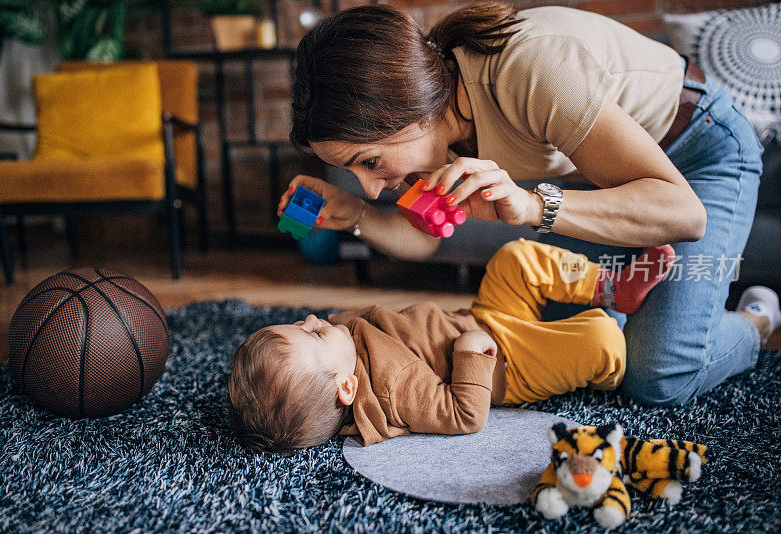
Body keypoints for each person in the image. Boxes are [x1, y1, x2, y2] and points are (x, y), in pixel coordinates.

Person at [277, 2, 776, 407]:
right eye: (354, 172)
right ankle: (642, 303)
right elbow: (423, 241)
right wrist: (357, 216)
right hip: (606, 184)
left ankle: (756, 320)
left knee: (657, 377)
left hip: (698, 152)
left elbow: (685, 215)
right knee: (541, 339)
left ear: (403, 101)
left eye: (368, 161)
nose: (369, 185)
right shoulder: (427, 137)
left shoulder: (529, 68)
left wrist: (536, 207)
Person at [228, 239, 676, 453]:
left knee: (514, 259)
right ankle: (613, 366)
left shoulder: (344, 346)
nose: (309, 318)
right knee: (599, 338)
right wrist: (470, 356)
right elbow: (463, 415)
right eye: (311, 333)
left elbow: (371, 326)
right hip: (505, 364)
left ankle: (613, 289)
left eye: (296, 322)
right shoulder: (393, 389)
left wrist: (337, 328)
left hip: (482, 318)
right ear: (347, 389)